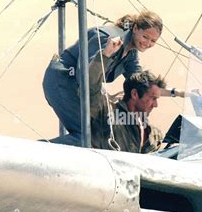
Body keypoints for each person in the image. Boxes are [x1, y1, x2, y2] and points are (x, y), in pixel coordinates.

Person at [43, 9, 163, 144]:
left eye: (153, 41)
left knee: (102, 132)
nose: (147, 43)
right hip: (63, 81)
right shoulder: (107, 39)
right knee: (88, 136)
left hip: (83, 86)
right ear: (135, 28)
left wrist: (173, 92)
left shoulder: (131, 51)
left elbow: (139, 81)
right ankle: (30, 152)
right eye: (145, 37)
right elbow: (85, 74)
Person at [88, 37, 166, 153]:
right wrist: (105, 55)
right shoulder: (108, 115)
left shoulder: (151, 132)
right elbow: (90, 87)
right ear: (134, 94)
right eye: (152, 98)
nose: (155, 105)